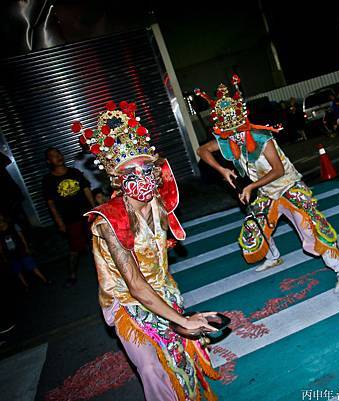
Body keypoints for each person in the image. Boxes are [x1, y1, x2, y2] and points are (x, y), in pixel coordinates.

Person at [74, 100, 219, 401]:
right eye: (133, 174)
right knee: (152, 368)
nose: (144, 179)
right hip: (126, 301)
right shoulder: (109, 221)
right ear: (117, 179)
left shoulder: (159, 203)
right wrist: (182, 320)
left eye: (148, 170)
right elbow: (136, 287)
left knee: (183, 357)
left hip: (162, 291)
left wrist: (180, 318)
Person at [195, 76, 339, 293]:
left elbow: (278, 170)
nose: (233, 135)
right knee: (254, 227)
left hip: (288, 186)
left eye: (236, 131)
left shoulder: (261, 138)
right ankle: (273, 257)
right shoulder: (228, 140)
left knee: (312, 227)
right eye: (229, 132)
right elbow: (202, 150)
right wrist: (223, 170)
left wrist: (250, 187)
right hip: (267, 192)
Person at [42, 147, 95, 287]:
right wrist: (59, 221)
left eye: (58, 153)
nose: (58, 156)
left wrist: (95, 208)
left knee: (95, 242)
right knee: (75, 248)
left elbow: (86, 189)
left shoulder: (74, 172)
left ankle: (105, 271)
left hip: (85, 212)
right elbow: (50, 203)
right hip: (69, 217)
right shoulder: (48, 180)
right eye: (53, 155)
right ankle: (72, 274)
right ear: (49, 161)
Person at [0, 212, 51, 290]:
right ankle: (26, 286)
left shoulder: (13, 225)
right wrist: (3, 256)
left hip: (20, 250)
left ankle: (45, 280)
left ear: (2, 217)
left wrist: (26, 247)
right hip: (10, 254)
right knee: (17, 271)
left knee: (32, 265)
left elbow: (21, 236)